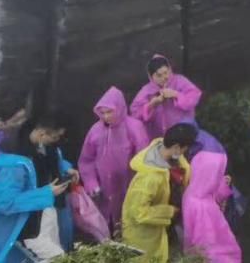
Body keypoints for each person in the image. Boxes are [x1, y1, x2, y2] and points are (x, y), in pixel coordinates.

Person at [0, 115, 75, 263]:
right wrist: (46, 193)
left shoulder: (39, 143)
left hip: (43, 211)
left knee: (55, 247)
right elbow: (4, 203)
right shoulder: (13, 164)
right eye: (55, 137)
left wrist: (66, 169)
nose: (57, 141)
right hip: (26, 226)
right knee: (56, 257)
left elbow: (53, 160)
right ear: (41, 134)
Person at [77, 87, 149, 231]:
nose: (106, 116)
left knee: (127, 222)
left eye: (110, 111)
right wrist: (91, 183)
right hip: (102, 190)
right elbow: (86, 160)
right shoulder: (95, 130)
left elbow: (144, 159)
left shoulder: (134, 127)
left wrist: (139, 186)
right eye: (102, 113)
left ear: (120, 108)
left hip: (129, 186)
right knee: (103, 224)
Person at [122, 123, 194, 263]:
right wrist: (169, 211)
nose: (185, 153)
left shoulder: (166, 150)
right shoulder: (149, 177)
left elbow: (183, 166)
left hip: (159, 228)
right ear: (177, 148)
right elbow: (138, 212)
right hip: (143, 237)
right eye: (184, 149)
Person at [182, 151, 240, 263]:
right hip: (215, 256)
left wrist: (222, 184)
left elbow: (214, 196)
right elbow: (204, 242)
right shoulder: (201, 206)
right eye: (218, 173)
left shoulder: (194, 191)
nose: (219, 175)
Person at [130, 56, 203, 139]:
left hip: (184, 133)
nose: (164, 77)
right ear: (151, 77)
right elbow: (135, 113)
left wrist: (176, 94)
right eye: (159, 75)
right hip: (159, 138)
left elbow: (195, 96)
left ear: (169, 69)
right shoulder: (146, 91)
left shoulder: (180, 81)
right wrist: (152, 104)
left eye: (166, 72)